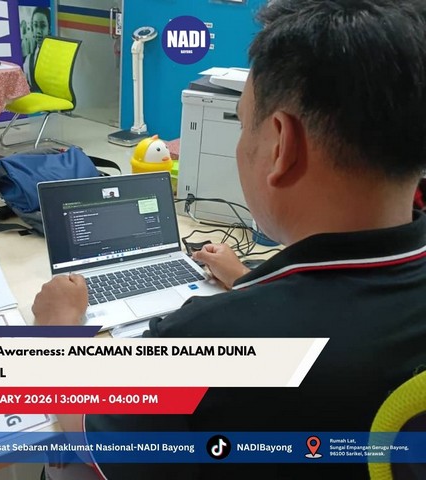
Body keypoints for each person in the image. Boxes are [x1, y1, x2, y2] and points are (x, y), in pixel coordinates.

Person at [33, 0, 426, 478]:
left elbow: (93, 438)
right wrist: (244, 279)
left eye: (242, 124)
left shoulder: (210, 339)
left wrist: (57, 326)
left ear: (281, 145)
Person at [22, 7, 51, 91]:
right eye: (35, 26)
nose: (38, 31)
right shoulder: (28, 60)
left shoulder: (55, 57)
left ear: (49, 29)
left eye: (42, 26)